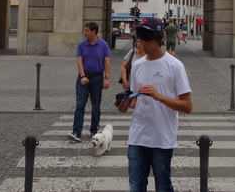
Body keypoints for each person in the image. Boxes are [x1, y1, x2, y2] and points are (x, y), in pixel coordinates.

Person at [117, 17, 192, 192]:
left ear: (159, 38)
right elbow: (136, 100)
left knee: (163, 186)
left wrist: (159, 97)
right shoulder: (137, 66)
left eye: (146, 39)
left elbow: (187, 106)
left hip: (162, 137)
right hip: (138, 135)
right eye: (140, 39)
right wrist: (125, 105)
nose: (142, 43)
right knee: (135, 186)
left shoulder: (175, 66)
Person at [67, 22, 111, 143]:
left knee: (96, 106)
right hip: (83, 78)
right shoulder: (82, 45)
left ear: (94, 31)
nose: (84, 32)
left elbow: (107, 62)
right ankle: (76, 132)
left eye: (86, 30)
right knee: (80, 104)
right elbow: (79, 61)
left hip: (97, 78)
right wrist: (82, 76)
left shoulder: (103, 45)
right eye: (84, 30)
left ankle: (94, 129)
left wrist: (106, 78)